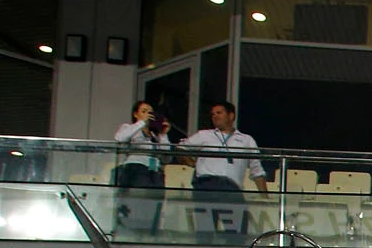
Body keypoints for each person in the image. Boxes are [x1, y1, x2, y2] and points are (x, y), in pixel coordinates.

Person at [178, 100, 268, 240]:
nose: (215, 116)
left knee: (237, 233)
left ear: (231, 115)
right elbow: (181, 148)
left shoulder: (246, 140)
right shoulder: (204, 135)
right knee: (205, 232)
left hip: (231, 188)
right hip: (205, 186)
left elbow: (257, 170)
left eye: (219, 113)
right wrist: (190, 162)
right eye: (213, 114)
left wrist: (265, 197)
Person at [113, 100, 170, 231]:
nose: (147, 114)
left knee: (155, 205)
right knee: (137, 203)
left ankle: (150, 232)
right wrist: (141, 123)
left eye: (149, 112)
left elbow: (166, 154)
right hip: (136, 168)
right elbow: (119, 138)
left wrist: (164, 133)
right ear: (135, 114)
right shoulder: (129, 128)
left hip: (155, 172)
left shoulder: (155, 134)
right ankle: (132, 230)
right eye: (143, 111)